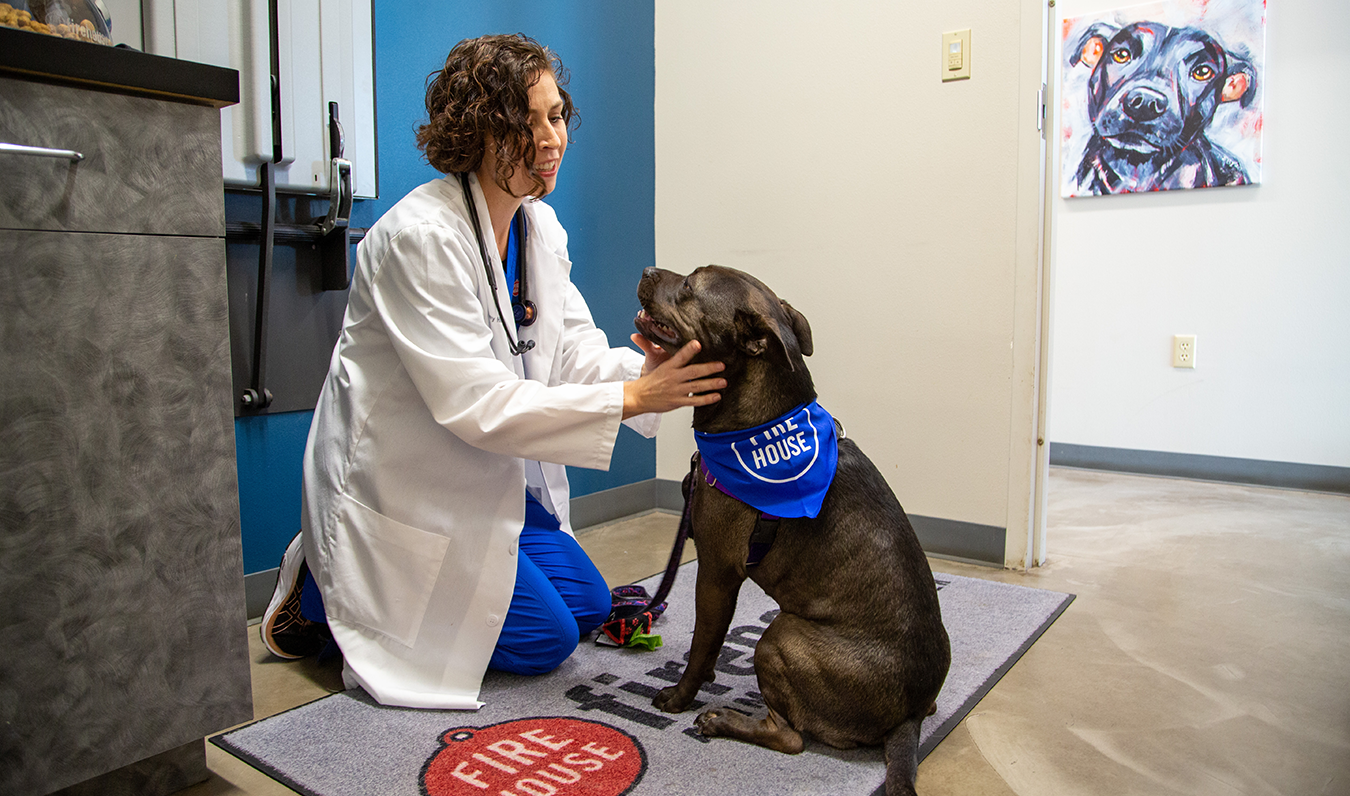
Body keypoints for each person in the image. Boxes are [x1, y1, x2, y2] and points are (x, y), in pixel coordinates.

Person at [259, 34, 725, 710]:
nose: (549, 138)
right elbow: (476, 404)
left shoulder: (542, 231)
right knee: (545, 642)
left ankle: (415, 575)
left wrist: (655, 371)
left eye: (557, 116)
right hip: (409, 487)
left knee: (590, 607)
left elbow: (574, 356)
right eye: (525, 121)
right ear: (476, 130)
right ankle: (322, 585)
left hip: (488, 482)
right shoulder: (417, 238)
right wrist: (632, 398)